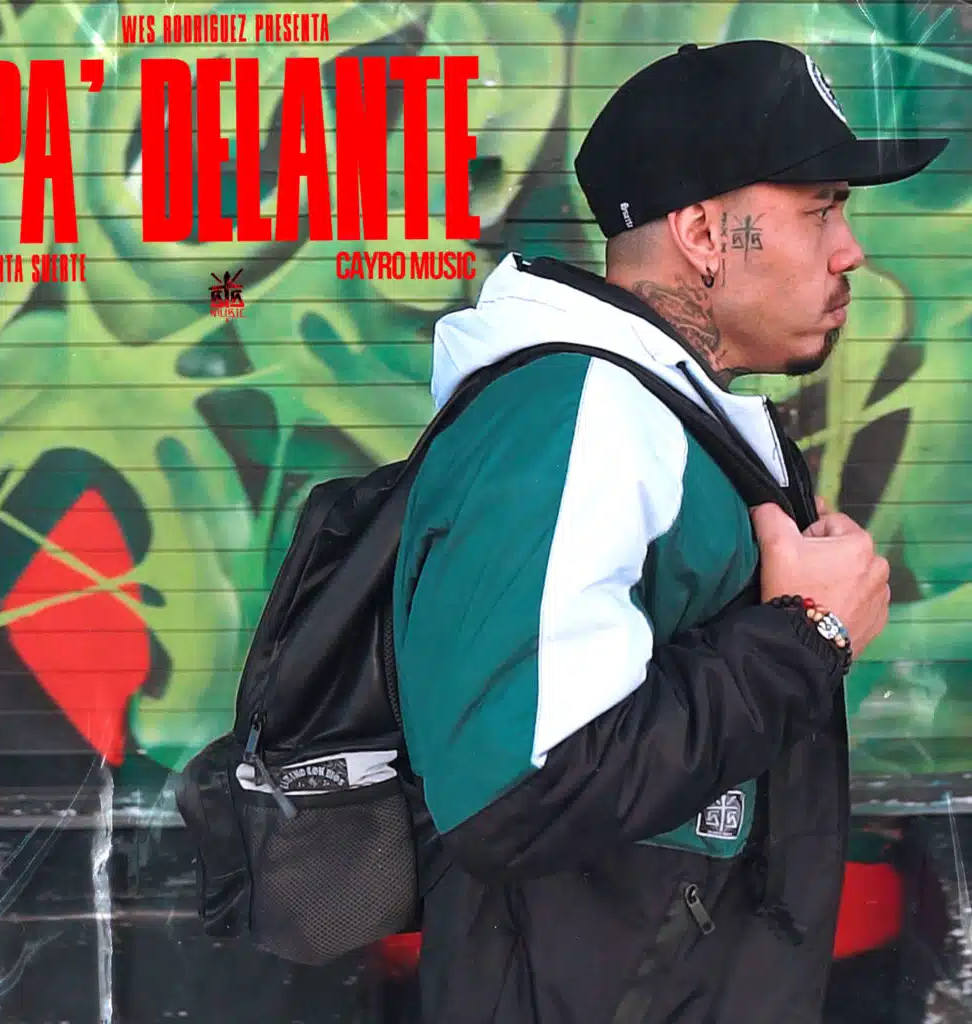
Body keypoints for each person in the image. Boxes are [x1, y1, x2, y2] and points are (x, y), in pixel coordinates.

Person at [390, 39, 948, 1023]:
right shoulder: (582, 412)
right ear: (701, 233)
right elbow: (517, 789)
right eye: (820, 210)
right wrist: (806, 635)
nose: (849, 250)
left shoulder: (651, 408)